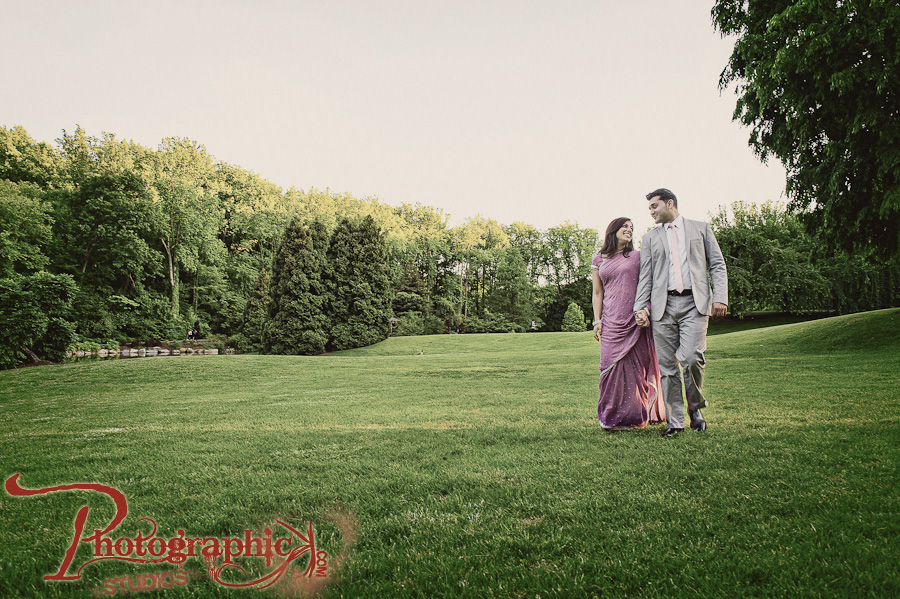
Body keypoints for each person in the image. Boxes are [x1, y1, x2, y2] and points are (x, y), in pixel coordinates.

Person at [633, 188, 728, 437]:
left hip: (694, 305)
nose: (651, 212)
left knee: (691, 358)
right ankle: (675, 421)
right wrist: (640, 307)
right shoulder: (650, 238)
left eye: (654, 206)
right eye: (649, 208)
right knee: (667, 366)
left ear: (670, 203)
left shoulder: (701, 229)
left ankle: (695, 408)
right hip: (662, 308)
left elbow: (717, 264)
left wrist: (720, 297)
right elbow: (646, 276)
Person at [591, 217, 665, 430]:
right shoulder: (599, 260)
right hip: (610, 321)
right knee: (609, 368)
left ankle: (635, 417)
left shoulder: (638, 257)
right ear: (612, 230)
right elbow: (597, 292)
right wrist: (597, 320)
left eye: (631, 228)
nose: (629, 230)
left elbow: (650, 286)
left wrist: (646, 310)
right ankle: (610, 418)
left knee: (635, 370)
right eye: (624, 226)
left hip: (635, 321)